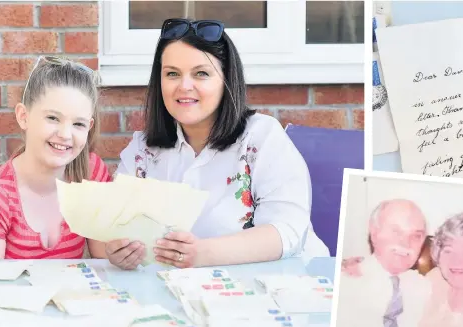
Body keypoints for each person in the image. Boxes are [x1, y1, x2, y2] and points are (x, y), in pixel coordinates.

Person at [105, 18, 328, 270]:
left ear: (225, 81)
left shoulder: (261, 137)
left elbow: (287, 232)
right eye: (172, 74)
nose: (184, 86)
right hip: (182, 295)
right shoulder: (142, 151)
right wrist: (118, 250)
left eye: (201, 73)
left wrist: (201, 254)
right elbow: (113, 226)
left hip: (285, 288)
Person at [0, 56, 111, 260]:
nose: (66, 134)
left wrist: (124, 251)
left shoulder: (91, 172)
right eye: (53, 118)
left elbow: (106, 258)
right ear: (24, 117)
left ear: (89, 127)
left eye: (78, 124)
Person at [341, 212, 463, 327]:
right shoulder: (435, 279)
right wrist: (360, 265)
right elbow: (395, 276)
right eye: (448, 251)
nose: (456, 261)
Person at [334, 199, 430, 327]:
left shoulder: (425, 287)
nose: (405, 243)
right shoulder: (344, 284)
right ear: (374, 232)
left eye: (416, 236)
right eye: (396, 231)